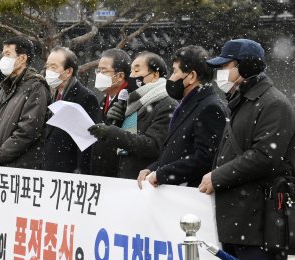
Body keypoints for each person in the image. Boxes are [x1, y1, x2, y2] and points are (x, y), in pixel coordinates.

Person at [199, 39, 295, 260]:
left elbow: (264, 157)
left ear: (245, 67)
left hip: (262, 218)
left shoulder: (273, 103)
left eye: (226, 66)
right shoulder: (243, 100)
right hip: (239, 218)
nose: (220, 73)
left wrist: (218, 176)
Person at [137, 45, 226, 188]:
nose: (171, 78)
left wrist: (162, 174)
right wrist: (153, 168)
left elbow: (205, 158)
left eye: (175, 71)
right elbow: (176, 151)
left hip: (189, 196)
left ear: (191, 76)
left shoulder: (210, 107)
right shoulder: (188, 103)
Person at [88, 51, 177, 179]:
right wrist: (116, 121)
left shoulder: (167, 104)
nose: (132, 76)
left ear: (155, 75)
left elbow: (152, 146)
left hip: (141, 180)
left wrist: (112, 133)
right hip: (121, 176)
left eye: (136, 71)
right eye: (131, 72)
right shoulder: (133, 102)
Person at [0, 36, 50, 168]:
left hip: (18, 169)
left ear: (22, 58)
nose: (3, 59)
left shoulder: (35, 87)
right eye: (3, 55)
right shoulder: (4, 88)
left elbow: (27, 131)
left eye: (7, 54)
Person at [42, 46, 100, 174]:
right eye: (47, 67)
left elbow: (87, 141)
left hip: (68, 172)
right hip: (50, 169)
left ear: (68, 71)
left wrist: (80, 171)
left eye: (53, 67)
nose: (48, 71)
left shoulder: (85, 97)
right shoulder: (53, 95)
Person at [89, 48, 131, 177]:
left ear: (120, 76)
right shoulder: (104, 100)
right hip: (99, 171)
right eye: (98, 70)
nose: (99, 75)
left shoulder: (130, 101)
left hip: (116, 173)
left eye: (104, 71)